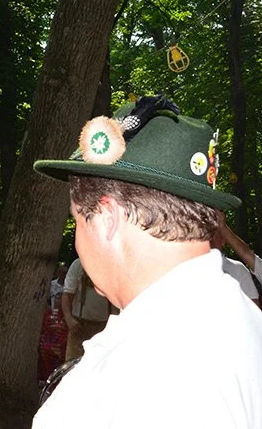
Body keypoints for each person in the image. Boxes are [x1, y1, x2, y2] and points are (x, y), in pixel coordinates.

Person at [33, 95, 262, 428]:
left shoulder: (125, 383)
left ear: (107, 217)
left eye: (78, 221)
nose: (78, 241)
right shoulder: (242, 319)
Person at [60, 257, 113, 360]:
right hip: (78, 325)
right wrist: (69, 319)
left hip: (103, 325)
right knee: (72, 365)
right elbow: (67, 294)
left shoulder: (112, 265)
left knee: (99, 364)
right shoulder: (79, 264)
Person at [38, 263, 69, 383]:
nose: (63, 275)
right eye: (61, 273)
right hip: (51, 314)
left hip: (61, 316)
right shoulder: (52, 285)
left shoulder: (68, 285)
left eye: (65, 273)